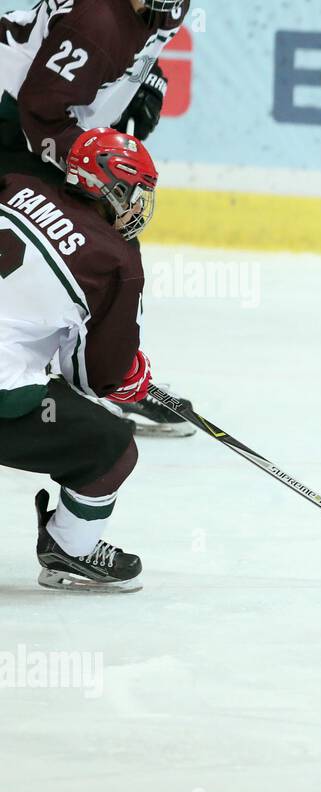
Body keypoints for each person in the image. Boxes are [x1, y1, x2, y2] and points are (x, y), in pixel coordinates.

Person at [0, 0, 192, 436]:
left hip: (43, 115)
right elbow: (41, 111)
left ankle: (98, 370)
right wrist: (95, 166)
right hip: (15, 119)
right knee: (90, 245)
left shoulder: (171, 5)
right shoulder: (97, 19)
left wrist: (147, 78)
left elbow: (138, 48)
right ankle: (107, 378)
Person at [0, 127, 160, 591]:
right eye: (134, 193)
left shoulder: (17, 184)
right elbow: (96, 377)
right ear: (109, 187)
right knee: (112, 448)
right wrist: (126, 373)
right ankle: (71, 549)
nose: (137, 207)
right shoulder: (116, 259)